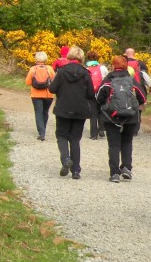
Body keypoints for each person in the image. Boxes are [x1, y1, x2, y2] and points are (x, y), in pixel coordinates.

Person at [95, 55, 146, 182]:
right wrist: (133, 106)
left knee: (113, 144)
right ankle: (127, 168)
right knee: (127, 142)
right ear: (126, 66)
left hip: (111, 117)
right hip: (130, 117)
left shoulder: (108, 79)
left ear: (113, 65)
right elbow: (143, 98)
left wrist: (106, 106)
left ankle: (114, 173)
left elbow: (98, 97)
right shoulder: (131, 80)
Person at [48, 46, 95, 180]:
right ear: (81, 58)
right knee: (75, 139)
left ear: (69, 56)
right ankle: (76, 171)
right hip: (80, 110)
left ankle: (66, 159)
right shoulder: (86, 73)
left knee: (61, 135)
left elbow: (52, 89)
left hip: (63, 109)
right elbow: (91, 94)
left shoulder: (62, 72)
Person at [25, 51, 56, 141]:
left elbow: (27, 82)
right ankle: (43, 130)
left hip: (36, 95)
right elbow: (54, 81)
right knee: (45, 112)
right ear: (45, 59)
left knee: (38, 113)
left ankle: (41, 133)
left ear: (36, 59)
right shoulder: (50, 69)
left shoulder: (32, 69)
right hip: (48, 95)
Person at [85, 50, 109, 140]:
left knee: (93, 113)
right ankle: (102, 129)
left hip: (91, 93)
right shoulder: (103, 68)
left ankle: (93, 134)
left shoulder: (86, 69)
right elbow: (107, 79)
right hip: (101, 93)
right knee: (101, 111)